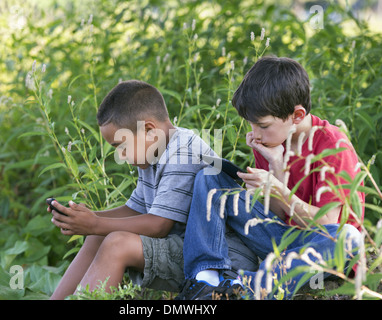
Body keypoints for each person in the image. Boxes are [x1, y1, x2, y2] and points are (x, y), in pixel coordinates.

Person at [48, 80, 256, 300]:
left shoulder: (183, 152)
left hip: (219, 261)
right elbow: (135, 210)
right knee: (96, 236)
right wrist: (86, 219)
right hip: (185, 248)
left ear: (149, 130)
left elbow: (158, 225)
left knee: (116, 244)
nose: (121, 156)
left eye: (122, 147)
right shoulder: (153, 151)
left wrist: (95, 223)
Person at [177, 56, 365, 300]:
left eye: (263, 125)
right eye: (252, 124)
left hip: (326, 247)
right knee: (209, 177)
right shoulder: (271, 141)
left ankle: (247, 287)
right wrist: (276, 164)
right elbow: (278, 215)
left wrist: (277, 188)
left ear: (297, 115)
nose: (255, 134)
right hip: (283, 237)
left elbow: (328, 223)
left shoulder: (332, 145)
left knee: (348, 237)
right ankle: (205, 279)